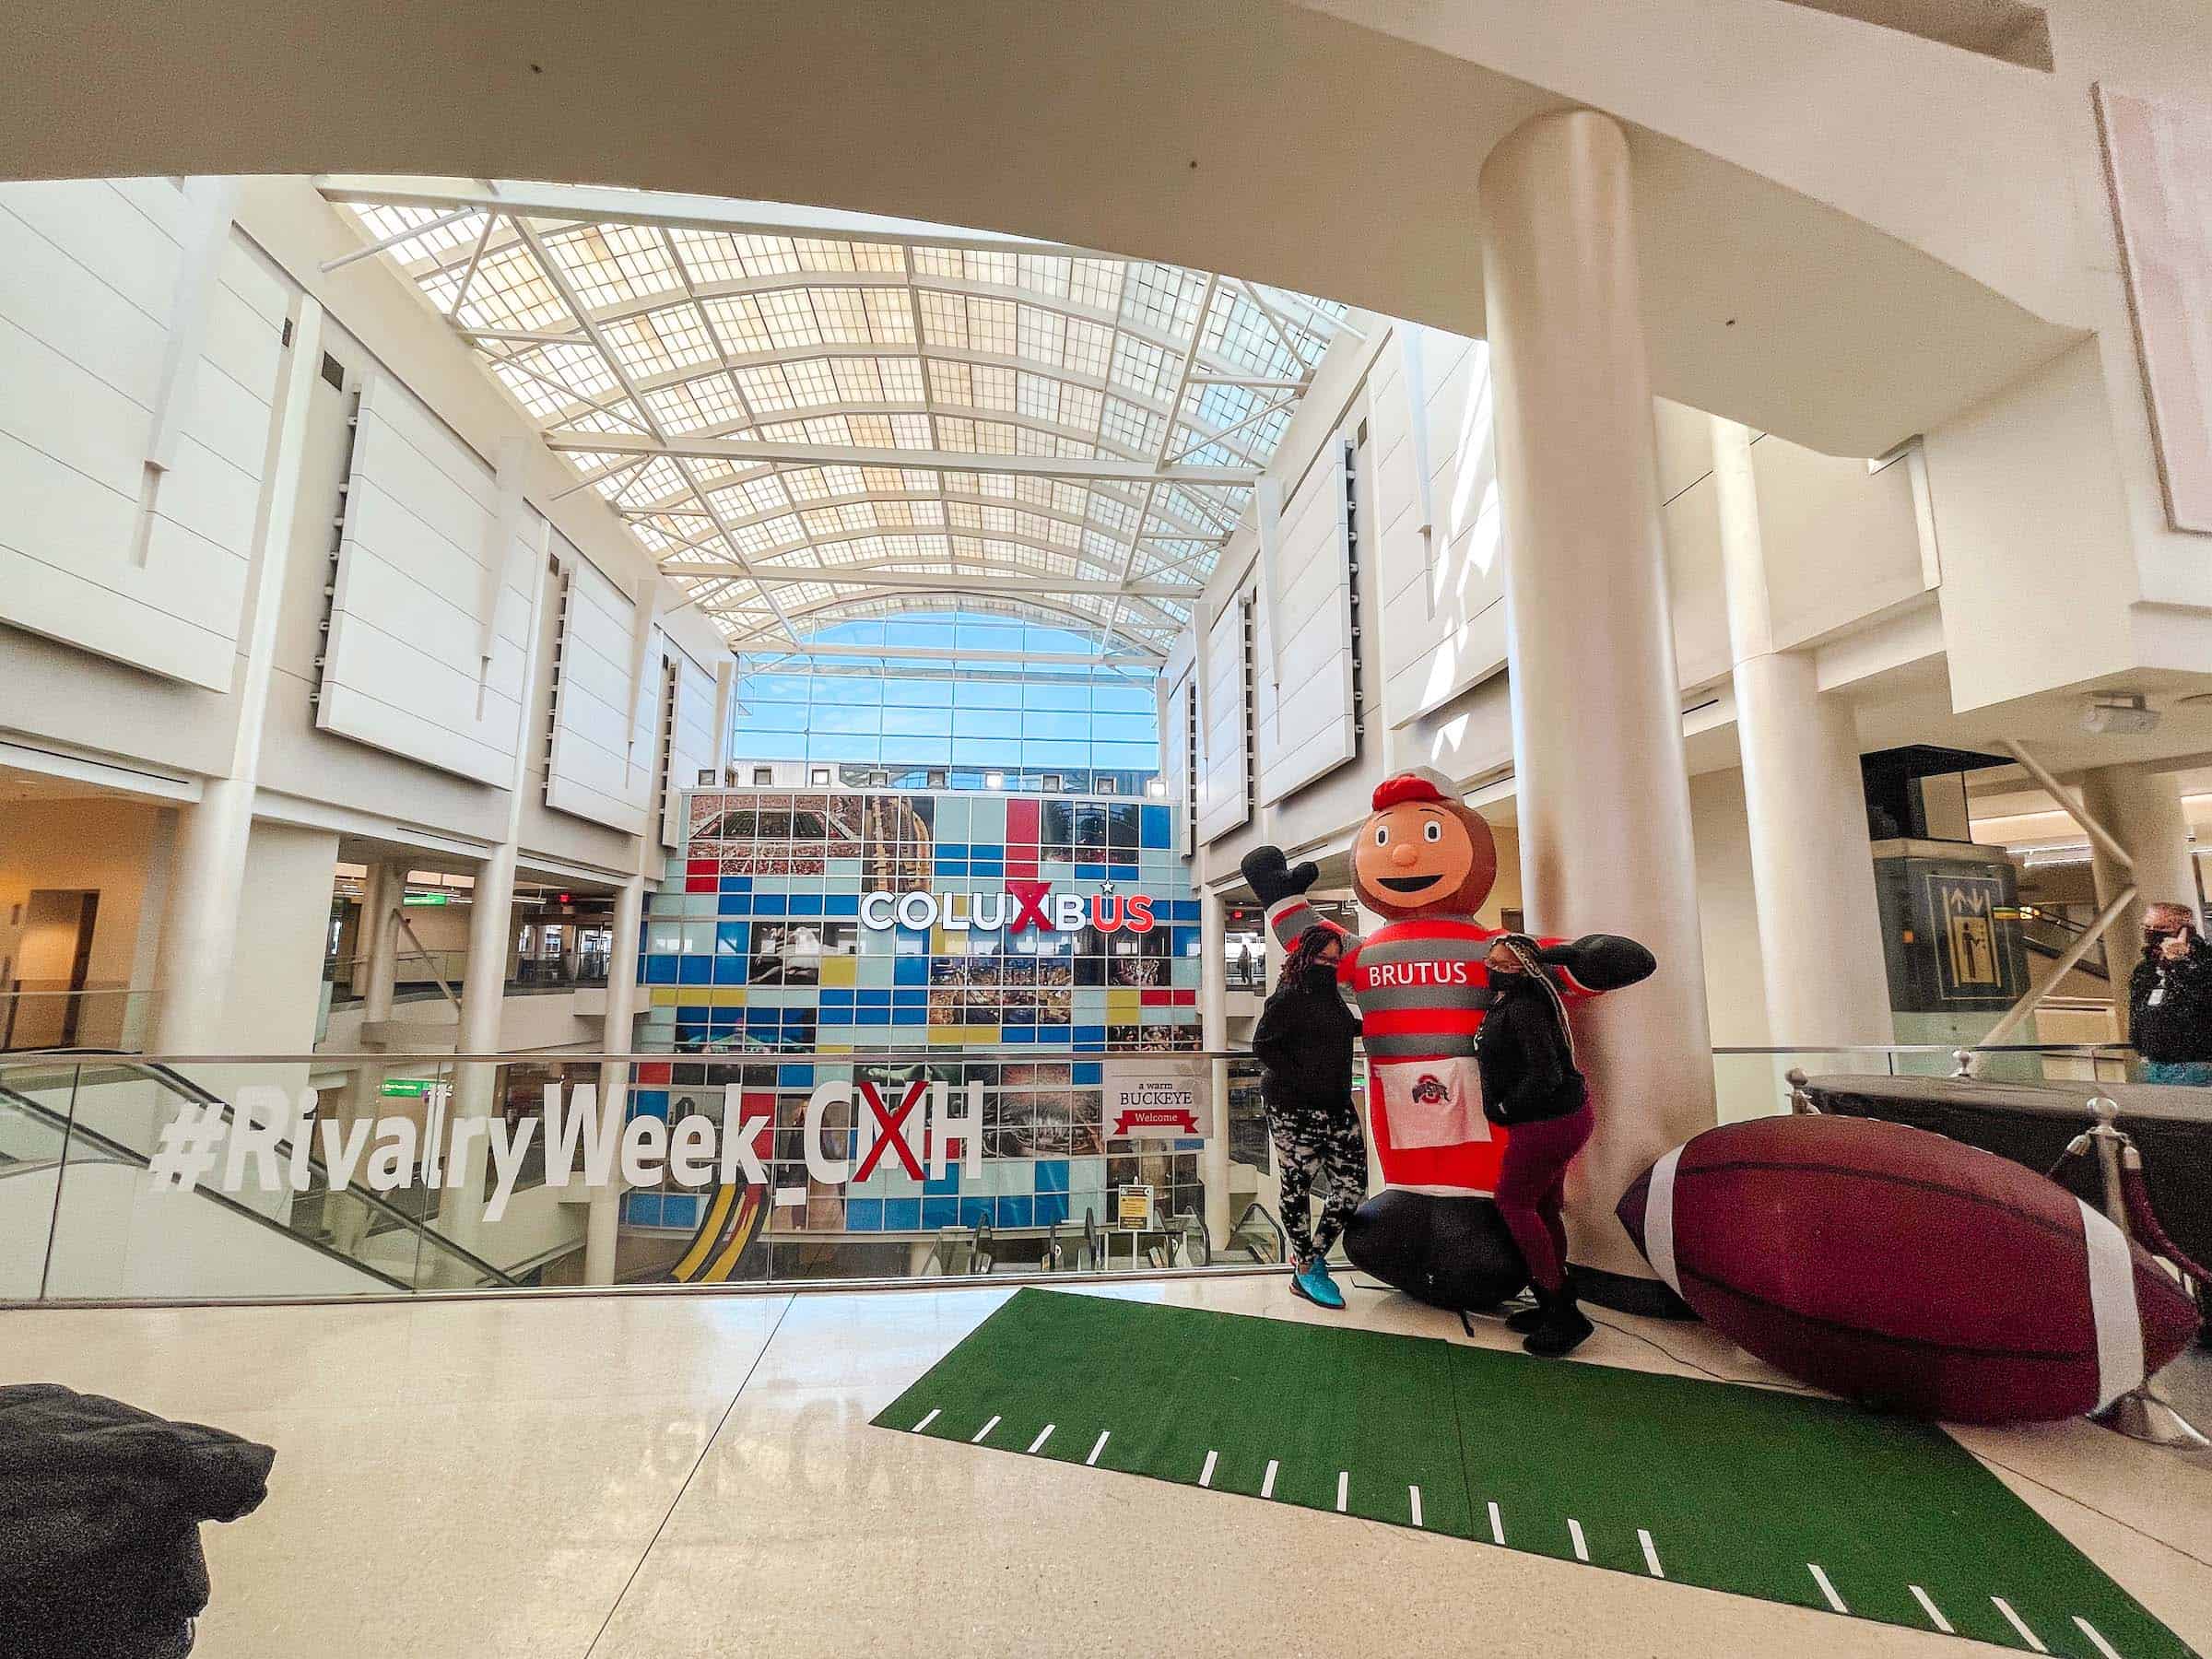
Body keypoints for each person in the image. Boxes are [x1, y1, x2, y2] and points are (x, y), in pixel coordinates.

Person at [1477, 934, 1596, 1356]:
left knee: (1513, 1203)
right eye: (1490, 961)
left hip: (1547, 1124)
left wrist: (1507, 1105)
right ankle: (1552, 1300)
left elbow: (1545, 1073)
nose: (1492, 969)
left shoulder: (1525, 1007)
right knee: (1543, 1206)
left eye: (1504, 965)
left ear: (1523, 970)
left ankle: (1563, 1310)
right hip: (1560, 1120)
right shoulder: (1519, 1000)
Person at [1250, 926, 1366, 1310]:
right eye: (1322, 959)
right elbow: (1263, 1045)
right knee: (1297, 1185)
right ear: (1305, 958)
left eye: (1335, 961)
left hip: (1336, 1103)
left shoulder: (1331, 996)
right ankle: (1307, 1266)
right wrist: (1305, 1080)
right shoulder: (1287, 998)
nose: (1329, 967)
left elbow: (1341, 1031)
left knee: (1351, 1187)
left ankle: (1309, 1258)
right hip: (1292, 1108)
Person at [2130, 901, 2212, 1086]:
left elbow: (2201, 998)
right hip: (2151, 1063)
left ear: (2185, 930)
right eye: (2147, 926)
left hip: (2194, 1065)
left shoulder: (2204, 963)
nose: (2151, 932)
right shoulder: (2146, 968)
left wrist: (2180, 963)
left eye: (2160, 928)